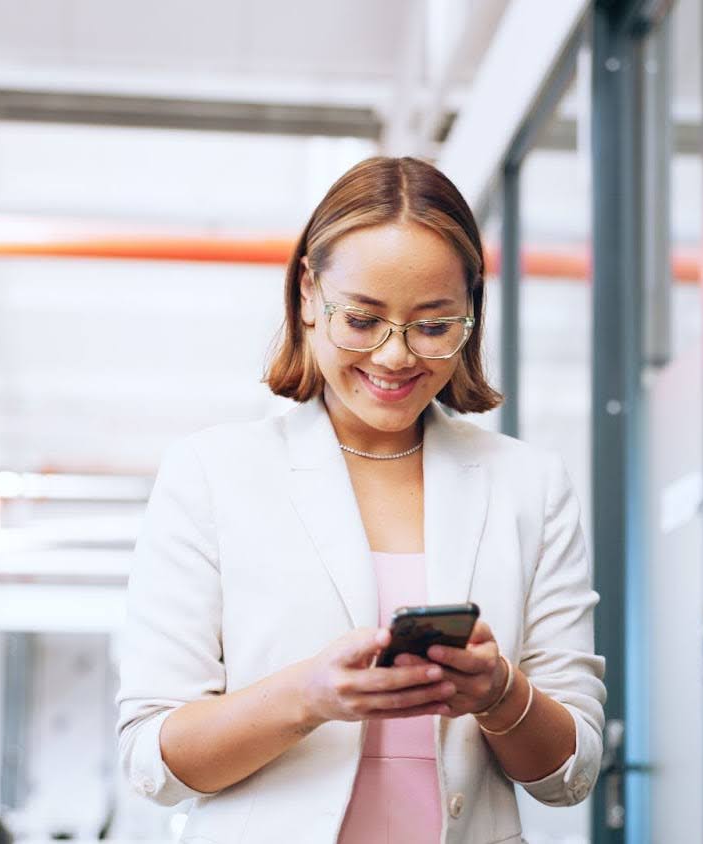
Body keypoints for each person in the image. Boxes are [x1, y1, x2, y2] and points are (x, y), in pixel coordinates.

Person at [116, 156, 606, 843]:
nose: (396, 356)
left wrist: (500, 695)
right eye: (363, 318)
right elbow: (152, 763)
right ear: (309, 294)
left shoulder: (529, 484)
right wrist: (307, 697)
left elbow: (570, 774)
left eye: (434, 326)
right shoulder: (212, 474)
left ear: (471, 314)